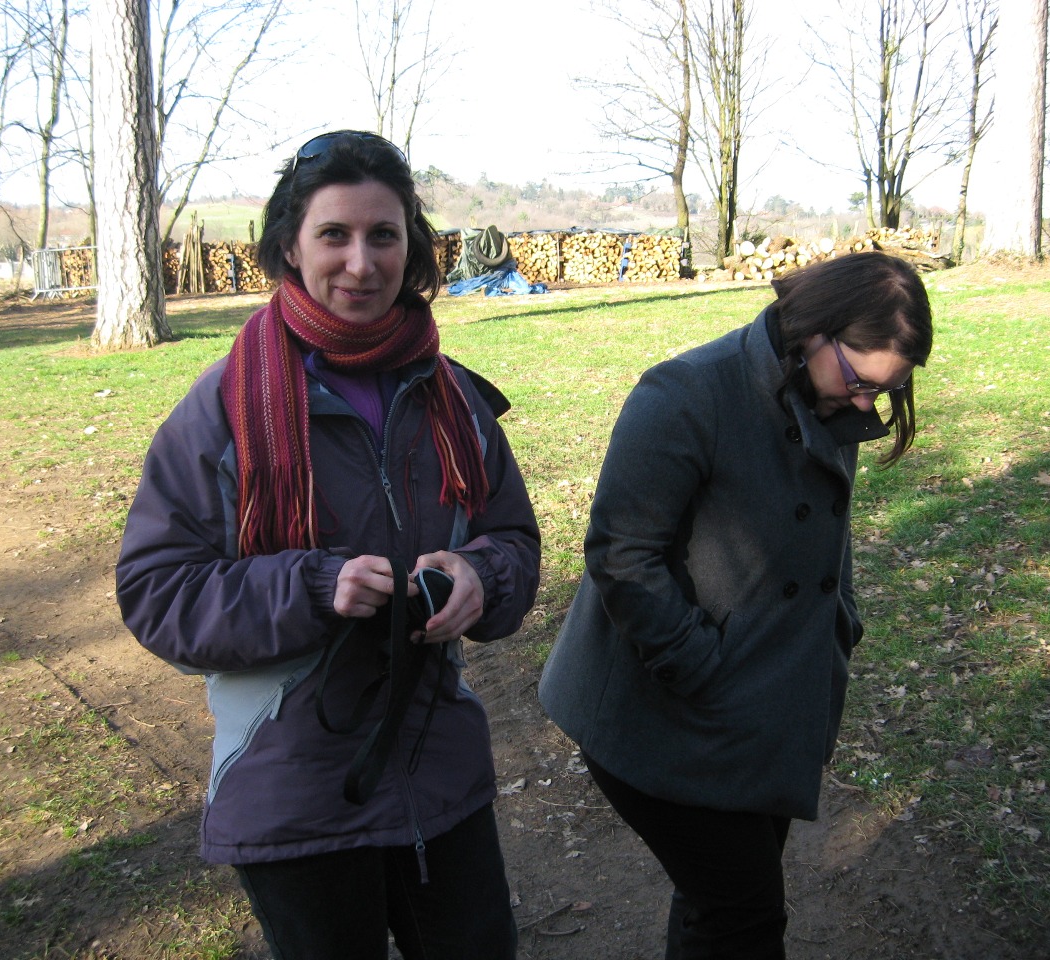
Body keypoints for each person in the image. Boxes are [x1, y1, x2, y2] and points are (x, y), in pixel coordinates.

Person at [116, 130, 540, 960]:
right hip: (292, 787)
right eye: (334, 235)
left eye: (384, 235)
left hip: (438, 774)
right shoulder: (221, 412)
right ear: (290, 245)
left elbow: (516, 541)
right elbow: (157, 592)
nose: (361, 263)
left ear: (411, 246)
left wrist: (481, 576)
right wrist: (312, 587)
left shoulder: (454, 399)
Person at [538, 252, 933, 960]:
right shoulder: (687, 393)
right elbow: (622, 554)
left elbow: (824, 534)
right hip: (663, 714)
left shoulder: (827, 396)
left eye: (888, 389)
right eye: (861, 382)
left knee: (717, 908)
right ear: (813, 332)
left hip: (768, 712)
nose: (867, 405)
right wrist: (702, 668)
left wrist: (839, 623)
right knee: (744, 917)